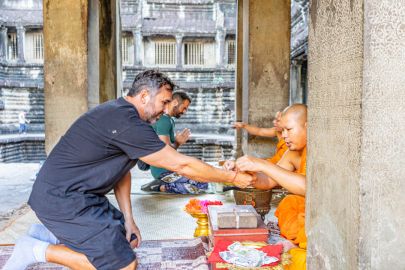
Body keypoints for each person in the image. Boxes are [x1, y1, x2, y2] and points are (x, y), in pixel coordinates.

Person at [4, 70, 255, 270]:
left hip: (82, 196)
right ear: (145, 96)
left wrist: (129, 219)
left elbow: (121, 171)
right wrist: (232, 177)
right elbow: (181, 164)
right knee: (124, 264)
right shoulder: (125, 121)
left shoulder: (125, 117)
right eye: (164, 102)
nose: (166, 109)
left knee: (128, 240)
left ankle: (49, 233)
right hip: (61, 199)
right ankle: (35, 249)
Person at [226, 104, 307, 270]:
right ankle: (297, 244)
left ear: (308, 125)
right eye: (282, 130)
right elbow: (269, 181)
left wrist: (263, 164)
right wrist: (248, 174)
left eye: (289, 130)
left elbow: (310, 187)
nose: (283, 136)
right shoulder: (293, 153)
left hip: (321, 212)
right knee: (289, 204)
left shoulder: (325, 150)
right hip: (305, 211)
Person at [142, 90, 209, 194]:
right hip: (162, 171)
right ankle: (160, 186)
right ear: (175, 102)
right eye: (184, 108)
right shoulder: (164, 120)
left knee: (203, 180)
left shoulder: (169, 120)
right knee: (202, 185)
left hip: (170, 168)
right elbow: (165, 151)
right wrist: (178, 142)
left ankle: (164, 185)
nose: (184, 111)